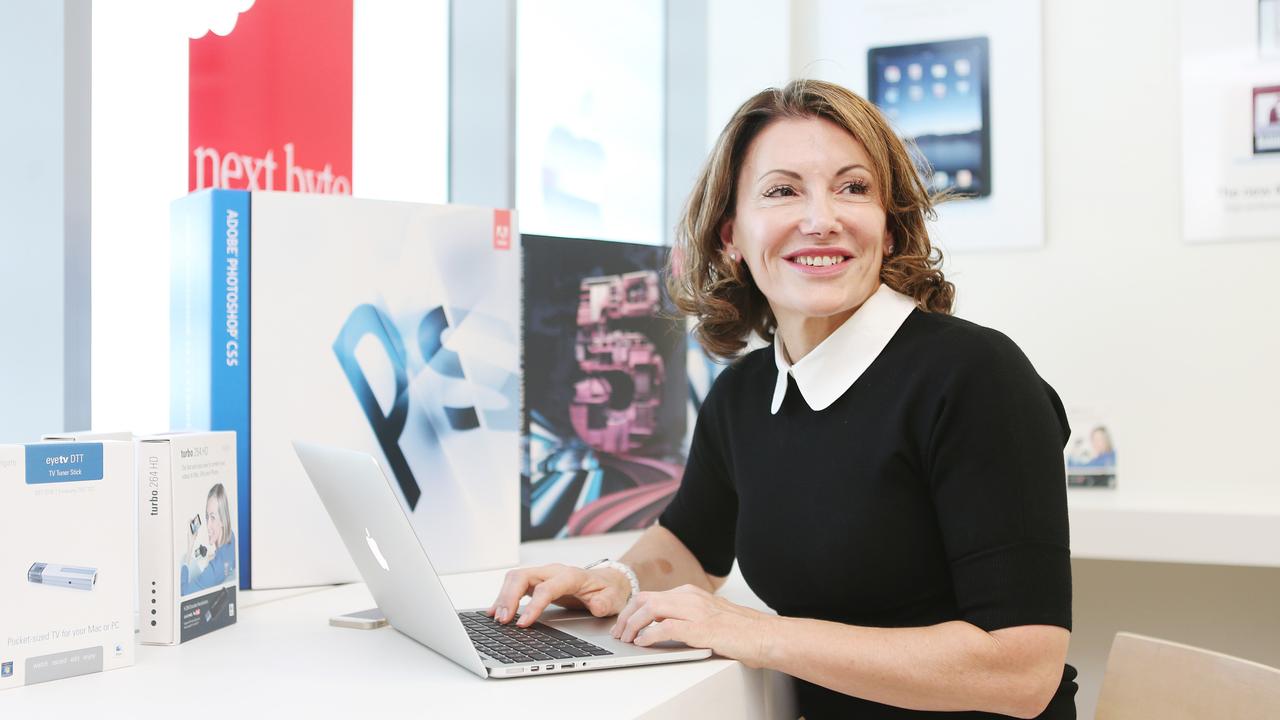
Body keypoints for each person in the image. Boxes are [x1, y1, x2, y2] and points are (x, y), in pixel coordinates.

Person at [489, 79, 1075, 719]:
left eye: (854, 188)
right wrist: (611, 580)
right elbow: (688, 545)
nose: (822, 219)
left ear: (889, 226)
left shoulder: (977, 377)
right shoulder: (744, 392)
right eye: (782, 190)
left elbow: (1022, 670)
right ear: (730, 236)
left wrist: (753, 632)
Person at [181, 483, 237, 595]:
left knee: (184, 560)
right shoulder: (231, 536)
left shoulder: (212, 572)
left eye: (213, 517)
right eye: (207, 517)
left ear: (223, 519)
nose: (208, 525)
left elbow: (183, 591)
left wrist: (190, 544)